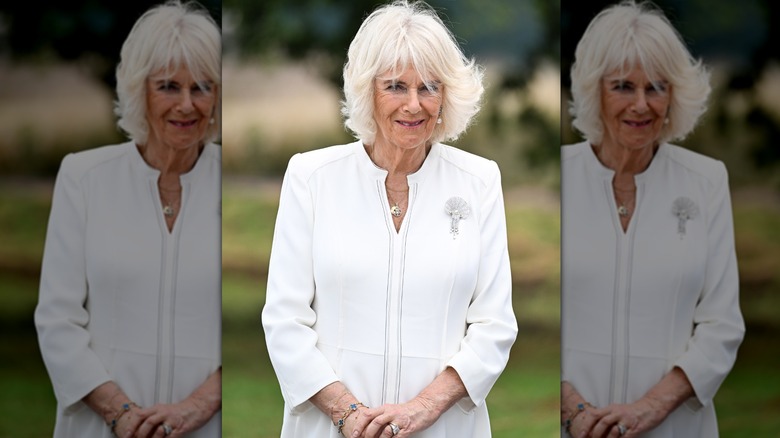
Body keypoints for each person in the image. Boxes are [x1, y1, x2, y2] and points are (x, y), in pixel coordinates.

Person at [261, 1, 518, 437]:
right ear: (368, 91)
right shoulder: (311, 177)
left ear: (446, 95)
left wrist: (422, 409)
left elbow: (494, 326)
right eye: (396, 86)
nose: (414, 105)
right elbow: (284, 320)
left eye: (429, 87)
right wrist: (349, 415)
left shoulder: (479, 181)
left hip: (442, 428)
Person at [34, 1, 221, 436]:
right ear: (140, 91)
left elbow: (270, 323)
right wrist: (121, 414)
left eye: (202, 87)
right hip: (100, 426)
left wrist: (195, 407)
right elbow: (57, 320)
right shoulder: (84, 177)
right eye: (168, 87)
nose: (187, 105)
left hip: (205, 426)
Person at [560, 1, 745, 437]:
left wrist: (649, 409)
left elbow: (722, 325)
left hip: (676, 426)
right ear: (595, 91)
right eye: (623, 86)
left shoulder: (706, 181)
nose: (641, 105)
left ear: (674, 95)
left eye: (656, 88)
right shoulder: (560, 174)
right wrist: (575, 412)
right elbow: (512, 318)